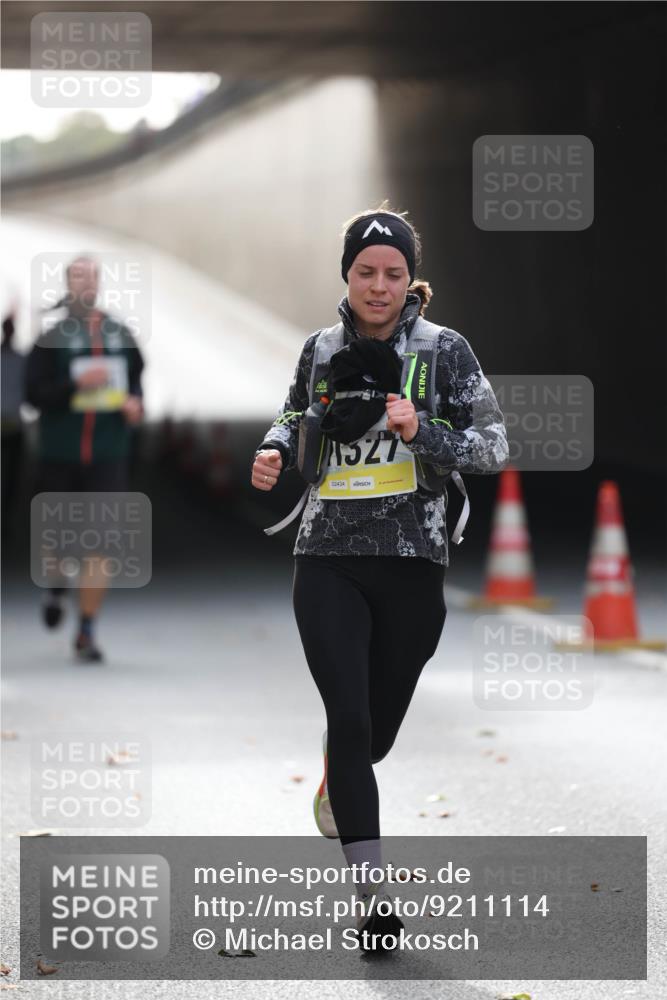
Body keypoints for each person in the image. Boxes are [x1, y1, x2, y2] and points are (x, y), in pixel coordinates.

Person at [251, 202, 508, 949]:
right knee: (350, 720)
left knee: (374, 736)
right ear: (347, 274)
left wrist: (418, 430)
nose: (378, 285)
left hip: (411, 562)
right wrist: (273, 448)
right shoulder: (320, 348)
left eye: (392, 272)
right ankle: (371, 898)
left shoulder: (444, 350)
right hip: (326, 556)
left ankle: (341, 775)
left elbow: (491, 444)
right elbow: (292, 413)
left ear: (409, 278)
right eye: (365, 271)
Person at [25, 256, 145, 663]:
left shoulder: (120, 334)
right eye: (78, 277)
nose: (86, 284)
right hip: (59, 455)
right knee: (57, 544)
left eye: (92, 276)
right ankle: (57, 587)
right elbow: (33, 395)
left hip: (107, 457)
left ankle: (87, 631)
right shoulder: (51, 337)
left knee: (101, 546)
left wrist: (134, 406)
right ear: (68, 283)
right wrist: (75, 382)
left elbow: (137, 387)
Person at [1, 310, 26, 543]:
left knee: (12, 478)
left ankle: (7, 518)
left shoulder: (20, 359)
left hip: (14, 423)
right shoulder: (18, 360)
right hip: (10, 422)